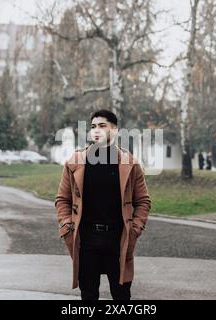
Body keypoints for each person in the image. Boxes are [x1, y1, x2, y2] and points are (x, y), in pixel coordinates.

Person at [55, 109, 151, 300]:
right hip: (86, 240)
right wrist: (67, 225)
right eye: (93, 127)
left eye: (102, 126)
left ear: (114, 130)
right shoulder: (76, 161)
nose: (96, 130)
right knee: (88, 295)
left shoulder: (129, 163)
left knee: (121, 295)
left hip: (118, 238)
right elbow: (62, 199)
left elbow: (143, 201)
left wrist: (135, 228)